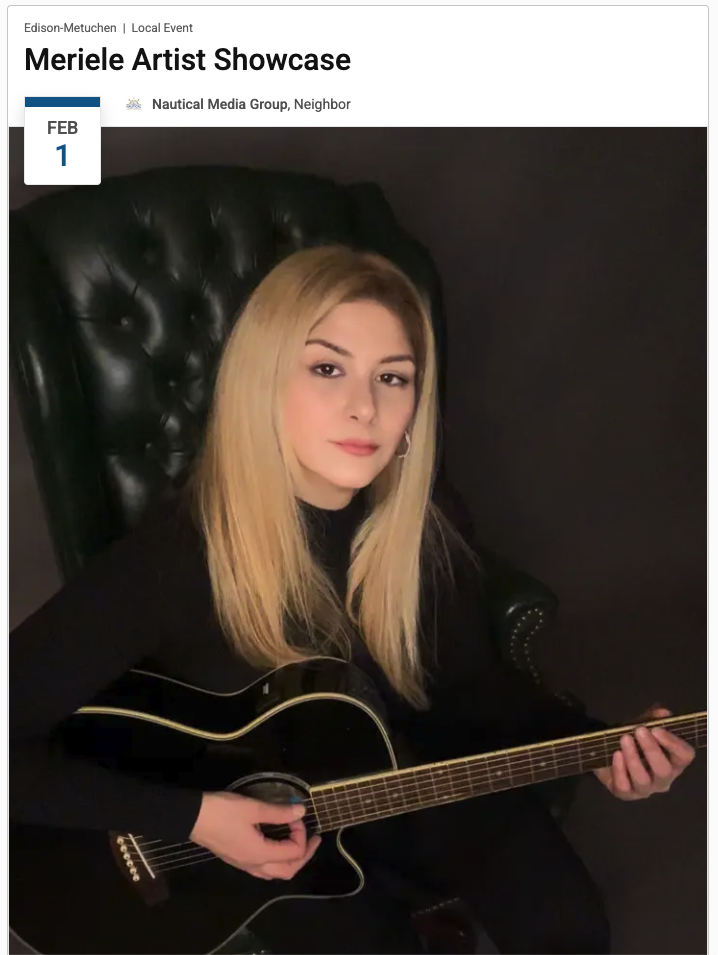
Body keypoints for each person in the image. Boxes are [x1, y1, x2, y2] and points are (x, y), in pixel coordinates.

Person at [10, 245, 695, 955]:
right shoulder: (176, 557)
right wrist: (194, 816)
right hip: (237, 845)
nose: (364, 407)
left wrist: (604, 743)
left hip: (403, 779)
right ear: (265, 381)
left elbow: (470, 691)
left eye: (392, 378)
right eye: (327, 367)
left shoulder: (424, 522)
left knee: (568, 926)